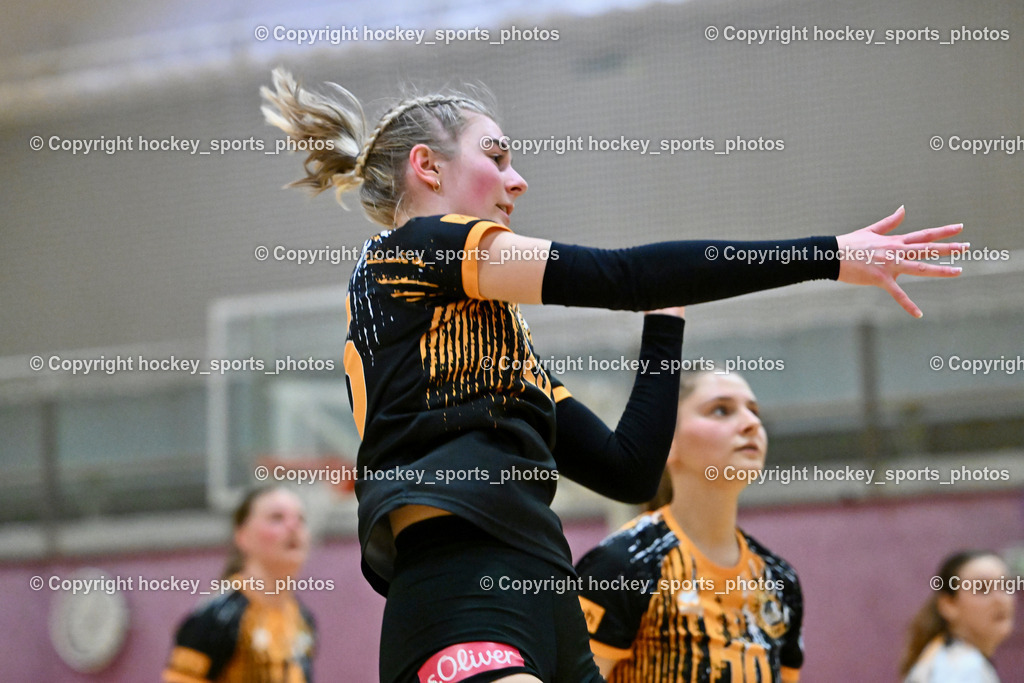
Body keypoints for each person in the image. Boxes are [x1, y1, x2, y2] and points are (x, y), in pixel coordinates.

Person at [259, 67, 966, 683]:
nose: (518, 178)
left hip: (548, 593)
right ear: (429, 167)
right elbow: (621, 273)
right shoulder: (408, 254)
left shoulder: (496, 351)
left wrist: (667, 319)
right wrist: (832, 254)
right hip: (460, 586)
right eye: (497, 155)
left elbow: (628, 470)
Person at [576, 370, 803, 682]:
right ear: (666, 441)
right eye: (721, 410)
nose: (752, 423)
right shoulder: (623, 566)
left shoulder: (780, 580)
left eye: (754, 411)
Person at [162, 485, 317, 683]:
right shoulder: (216, 618)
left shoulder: (303, 619)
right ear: (243, 536)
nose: (294, 526)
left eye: (301, 519)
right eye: (277, 518)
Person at [901, 550, 1015, 682]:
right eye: (982, 588)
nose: (1000, 599)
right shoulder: (963, 668)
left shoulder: (944, 657)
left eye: (1006, 585)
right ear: (949, 604)